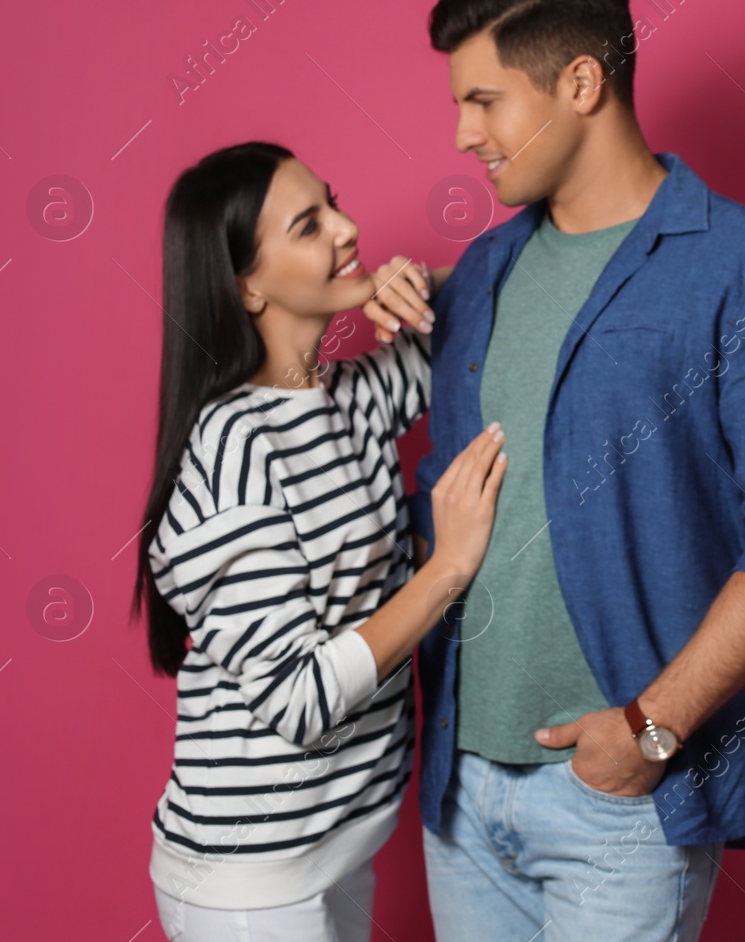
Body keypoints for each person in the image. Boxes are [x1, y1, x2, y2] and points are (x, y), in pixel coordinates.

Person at [360, 0, 745, 942]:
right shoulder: (480, 274)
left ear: (581, 82)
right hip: (461, 792)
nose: (464, 134)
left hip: (621, 797)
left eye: (486, 101)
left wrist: (653, 729)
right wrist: (370, 300)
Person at [132, 141, 509, 942]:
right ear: (247, 285)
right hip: (250, 879)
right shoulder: (233, 447)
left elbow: (489, 310)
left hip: (340, 844)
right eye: (309, 225)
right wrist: (447, 568)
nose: (348, 228)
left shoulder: (355, 395)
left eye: (333, 202)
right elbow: (298, 699)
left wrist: (404, 285)